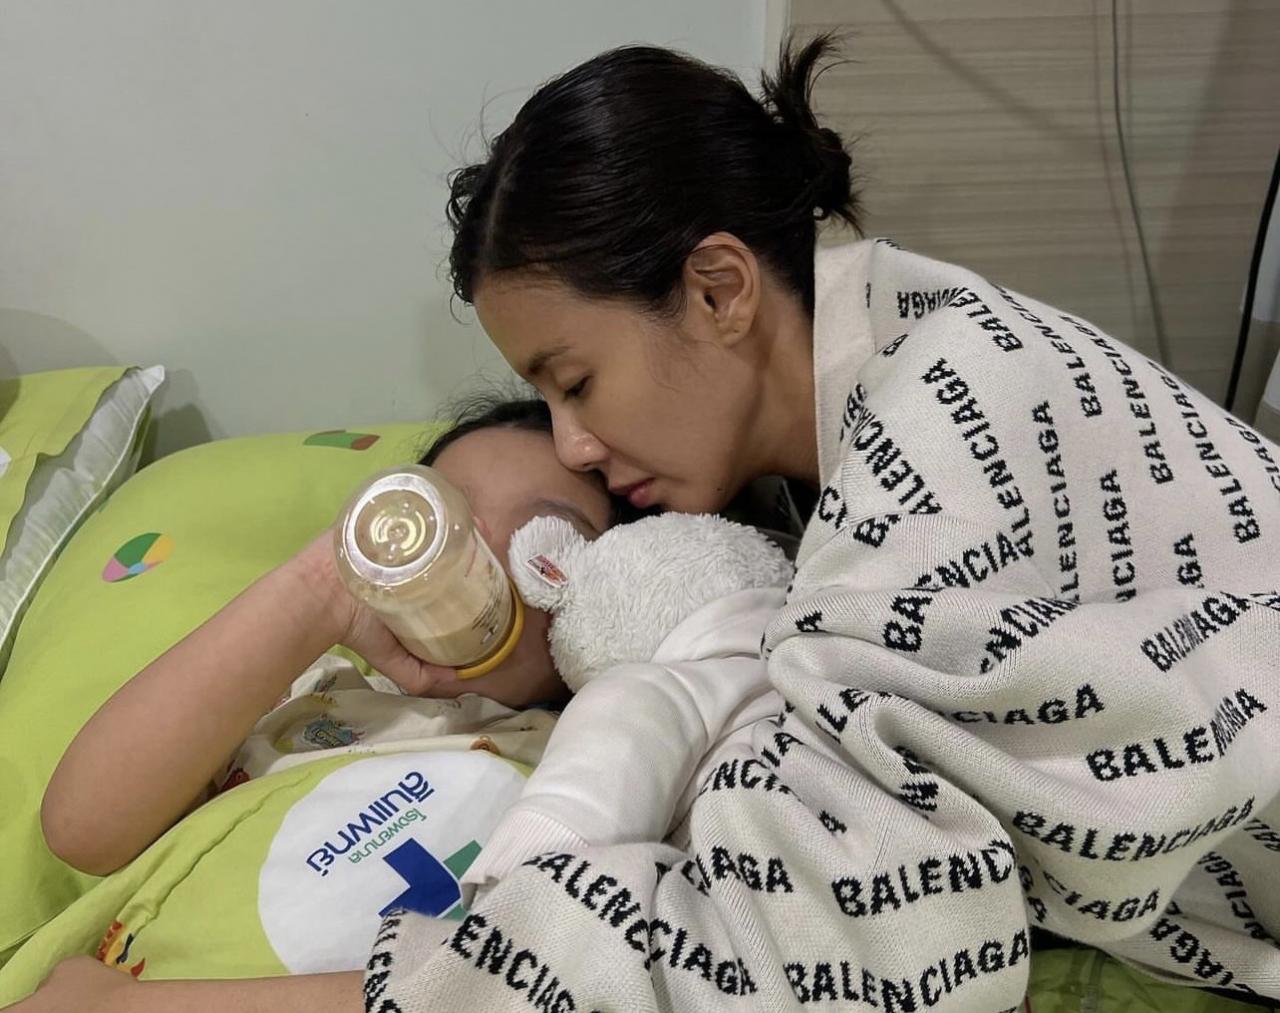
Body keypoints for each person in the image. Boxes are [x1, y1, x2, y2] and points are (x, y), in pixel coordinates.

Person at [14, 33, 1280, 1013]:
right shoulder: (825, 460)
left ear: (719, 288)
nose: (576, 444)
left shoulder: (939, 417)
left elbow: (796, 957)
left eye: (576, 381)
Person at [39, 393, 618, 880]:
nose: (474, 544)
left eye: (549, 530)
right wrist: (318, 592)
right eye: (440, 514)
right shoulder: (311, 696)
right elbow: (83, 829)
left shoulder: (603, 747)